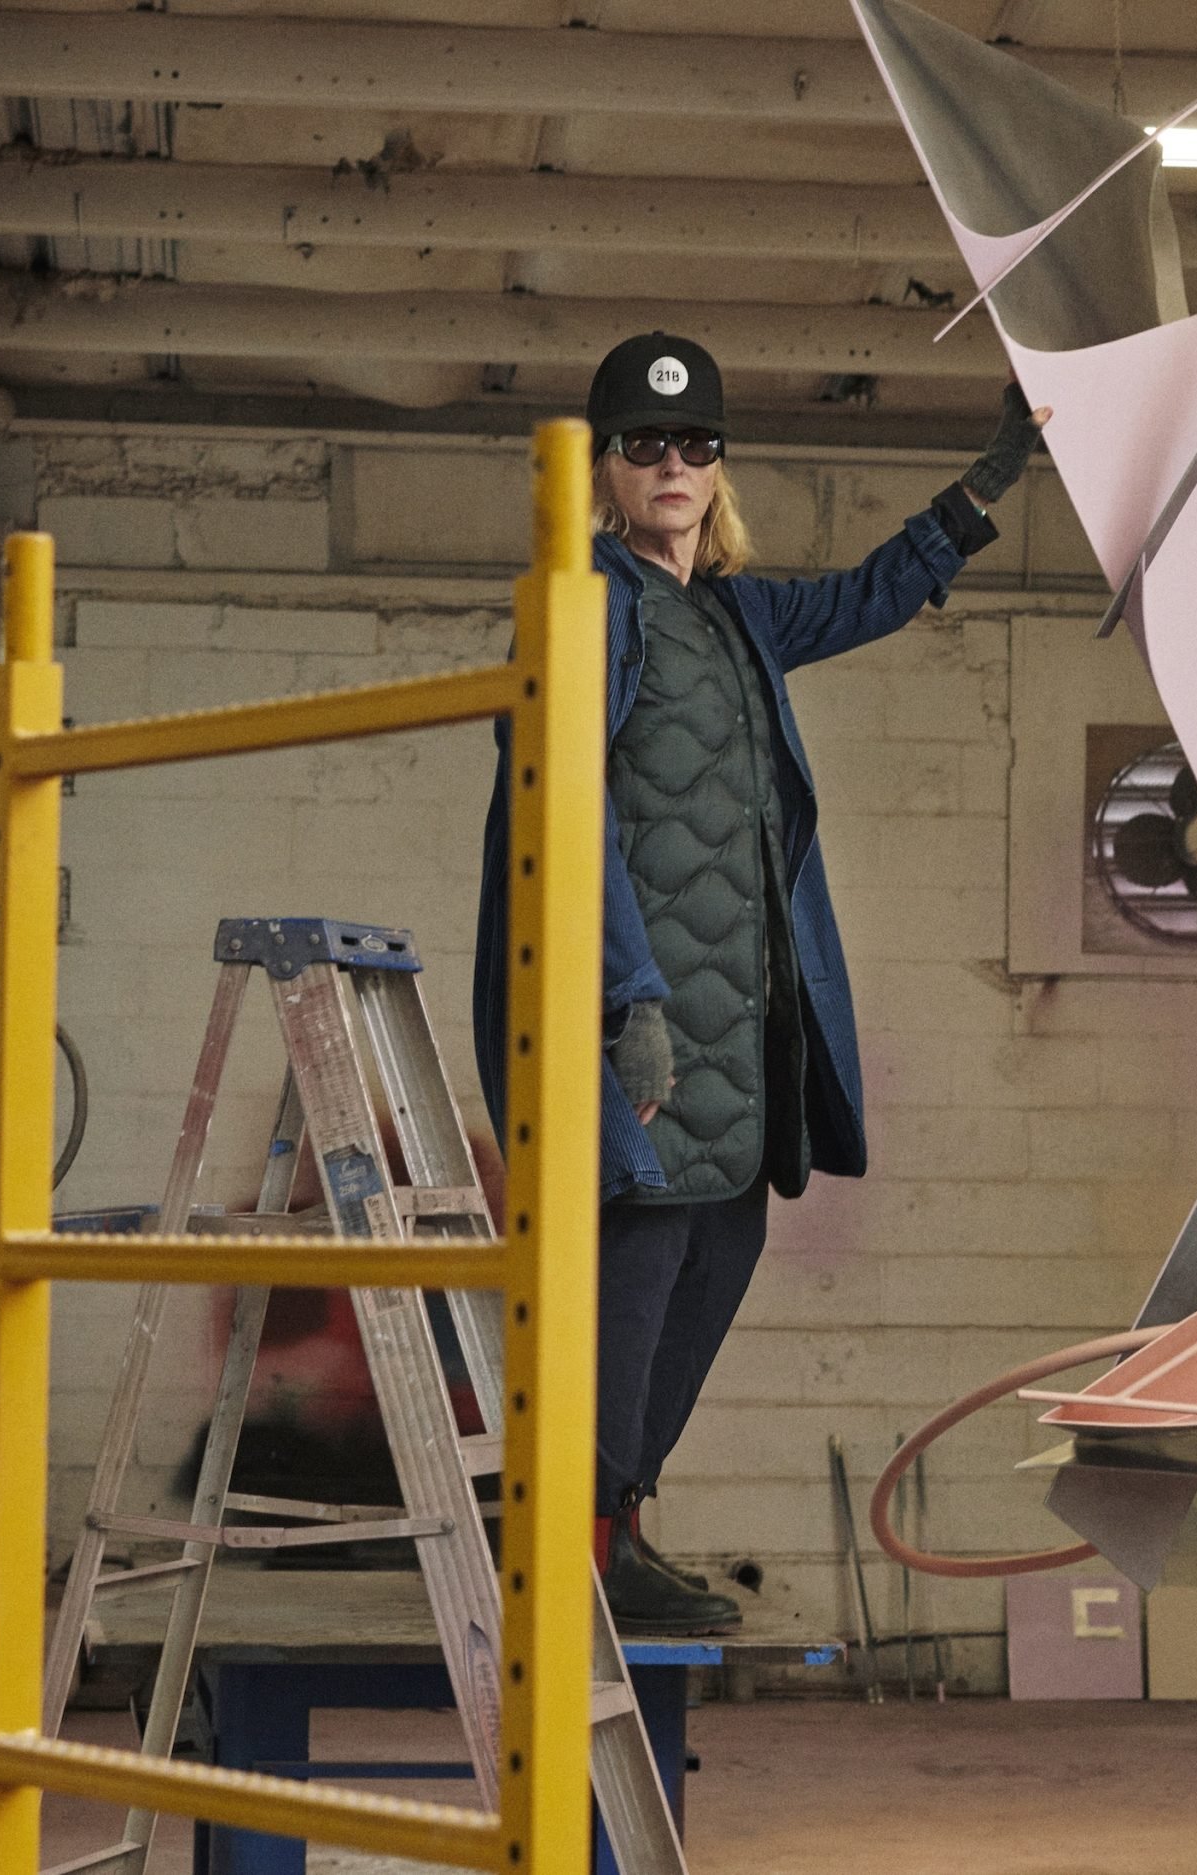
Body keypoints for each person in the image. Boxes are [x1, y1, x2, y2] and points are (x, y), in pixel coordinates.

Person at [474, 332, 1047, 1633]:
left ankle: (618, 1528)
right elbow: (560, 806)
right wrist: (627, 997)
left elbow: (871, 595)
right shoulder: (588, 607)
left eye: (694, 444)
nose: (669, 464)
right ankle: (575, 1547)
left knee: (722, 1246)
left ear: (718, 464)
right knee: (637, 1266)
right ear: (605, 466)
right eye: (642, 444)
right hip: (645, 1027)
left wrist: (991, 480)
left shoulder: (739, 616)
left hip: (743, 1032)